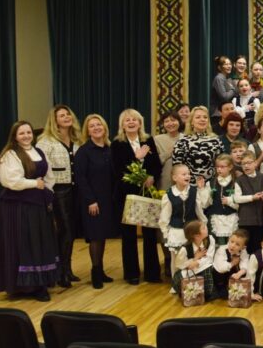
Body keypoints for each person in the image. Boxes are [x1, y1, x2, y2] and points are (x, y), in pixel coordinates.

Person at [0, 121, 59, 301]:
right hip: (18, 206)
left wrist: (47, 191)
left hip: (38, 204)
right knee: (24, 243)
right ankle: (24, 286)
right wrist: (34, 184)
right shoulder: (10, 155)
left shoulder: (39, 152)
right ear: (15, 136)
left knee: (40, 242)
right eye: (21, 133)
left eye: (29, 132)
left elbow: (49, 176)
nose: (26, 136)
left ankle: (40, 283)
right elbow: (11, 181)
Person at [112, 108, 163, 285]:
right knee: (129, 235)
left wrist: (152, 177)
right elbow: (118, 169)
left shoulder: (148, 140)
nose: (131, 122)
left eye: (135, 119)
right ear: (122, 125)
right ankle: (132, 273)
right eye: (127, 120)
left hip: (147, 192)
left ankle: (152, 273)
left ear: (140, 123)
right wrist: (137, 158)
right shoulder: (117, 144)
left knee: (149, 233)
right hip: (126, 194)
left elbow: (156, 164)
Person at [36, 104, 82, 288]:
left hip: (75, 190)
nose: (66, 117)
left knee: (72, 231)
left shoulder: (77, 139)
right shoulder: (45, 141)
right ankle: (60, 272)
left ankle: (67, 269)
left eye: (68, 114)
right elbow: (41, 168)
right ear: (54, 121)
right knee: (65, 230)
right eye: (62, 115)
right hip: (58, 190)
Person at [74, 113, 117, 289]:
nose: (96, 128)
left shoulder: (110, 148)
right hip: (92, 201)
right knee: (95, 236)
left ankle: (101, 270)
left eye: (99, 125)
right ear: (88, 131)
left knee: (102, 234)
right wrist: (90, 200)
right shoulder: (84, 151)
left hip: (108, 200)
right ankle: (95, 272)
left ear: (104, 128)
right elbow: (81, 178)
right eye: (92, 126)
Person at [158, 164, 209, 267]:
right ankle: (176, 277)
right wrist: (166, 233)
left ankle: (193, 277)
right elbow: (164, 217)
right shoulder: (169, 195)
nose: (188, 176)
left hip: (193, 232)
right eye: (184, 174)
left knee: (194, 257)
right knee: (177, 261)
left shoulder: (194, 191)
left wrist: (204, 225)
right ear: (174, 178)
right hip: (177, 233)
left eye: (189, 174)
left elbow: (201, 209)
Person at [173, 106, 225, 181]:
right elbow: (177, 167)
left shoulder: (216, 140)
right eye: (198, 117)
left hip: (212, 184)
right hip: (188, 184)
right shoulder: (182, 141)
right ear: (191, 122)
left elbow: (222, 164)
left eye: (205, 117)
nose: (202, 120)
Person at [233, 152, 263, 254]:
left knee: (257, 247)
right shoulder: (239, 180)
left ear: (255, 163)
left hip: (259, 219)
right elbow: (237, 198)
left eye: (249, 163)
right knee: (245, 247)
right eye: (243, 164)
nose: (246, 166)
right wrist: (252, 197)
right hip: (245, 220)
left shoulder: (262, 177)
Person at [171, 219, 215, 297]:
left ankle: (205, 293)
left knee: (207, 268)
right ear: (197, 235)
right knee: (180, 278)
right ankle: (190, 294)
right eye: (203, 228)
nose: (206, 228)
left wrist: (197, 262)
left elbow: (209, 259)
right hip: (188, 271)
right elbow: (179, 265)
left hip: (203, 268)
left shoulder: (210, 240)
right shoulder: (185, 249)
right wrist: (195, 259)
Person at [212, 228, 250, 299]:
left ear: (243, 247)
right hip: (220, 277)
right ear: (228, 240)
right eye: (232, 242)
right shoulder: (222, 250)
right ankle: (221, 289)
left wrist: (239, 273)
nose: (233, 245)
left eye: (237, 244)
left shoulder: (243, 251)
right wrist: (232, 263)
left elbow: (245, 263)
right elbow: (221, 268)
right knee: (224, 295)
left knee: (243, 272)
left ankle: (235, 287)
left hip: (233, 275)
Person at [153, 110, 184, 192]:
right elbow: (154, 162)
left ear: (179, 122)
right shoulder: (157, 139)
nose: (170, 123)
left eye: (173, 120)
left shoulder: (186, 138)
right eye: (166, 121)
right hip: (164, 180)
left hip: (184, 180)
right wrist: (168, 153)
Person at [210, 56, 237, 131]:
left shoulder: (225, 78)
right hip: (218, 114)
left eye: (230, 64)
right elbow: (224, 97)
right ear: (219, 67)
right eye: (226, 64)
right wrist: (233, 89)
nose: (229, 66)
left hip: (225, 113)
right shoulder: (219, 78)